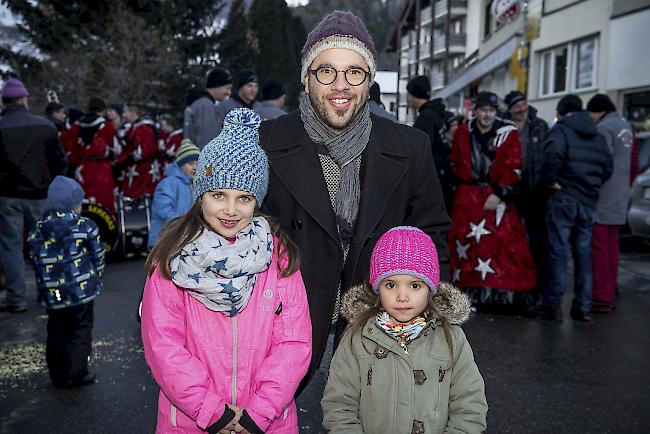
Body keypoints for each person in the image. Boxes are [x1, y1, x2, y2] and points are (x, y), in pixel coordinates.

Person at [259, 10, 450, 389]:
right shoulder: (265, 142)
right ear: (306, 77)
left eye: (354, 72)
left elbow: (433, 237)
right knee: (268, 414)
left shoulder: (410, 148)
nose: (340, 85)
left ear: (369, 79)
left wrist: (421, 308)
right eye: (326, 71)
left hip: (376, 316)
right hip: (285, 314)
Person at [141, 108, 312, 433]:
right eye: (219, 195)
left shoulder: (279, 258)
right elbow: (164, 345)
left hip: (267, 421)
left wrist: (259, 412)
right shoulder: (172, 259)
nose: (231, 210)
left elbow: (294, 342)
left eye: (244, 198)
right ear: (200, 196)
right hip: (192, 421)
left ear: (257, 200)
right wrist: (210, 410)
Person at [321, 226, 487, 433]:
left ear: (430, 289)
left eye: (415, 286)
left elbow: (469, 406)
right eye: (391, 285)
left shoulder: (451, 338)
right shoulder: (358, 338)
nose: (402, 296)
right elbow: (339, 406)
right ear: (377, 288)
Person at [448, 91, 537, 314]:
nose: (487, 115)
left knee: (503, 244)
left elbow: (514, 166)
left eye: (491, 110)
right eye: (483, 110)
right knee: (467, 243)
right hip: (467, 196)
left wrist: (499, 193)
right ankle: (470, 293)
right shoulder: (463, 130)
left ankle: (501, 295)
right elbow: (456, 162)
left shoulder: (508, 133)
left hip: (497, 197)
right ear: (475, 110)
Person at [539, 95, 613, 322]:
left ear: (560, 113)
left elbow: (552, 157)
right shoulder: (597, 135)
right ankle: (582, 307)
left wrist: (551, 182)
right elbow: (608, 167)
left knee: (558, 254)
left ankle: (553, 307)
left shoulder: (561, 131)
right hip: (589, 201)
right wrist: (592, 185)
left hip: (564, 198)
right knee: (584, 256)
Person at [27, 176, 105, 388]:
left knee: (56, 329)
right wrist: (96, 275)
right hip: (80, 292)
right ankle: (76, 373)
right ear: (74, 204)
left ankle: (57, 375)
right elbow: (98, 254)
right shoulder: (85, 226)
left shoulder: (38, 229)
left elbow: (34, 258)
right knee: (80, 330)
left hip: (54, 294)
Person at [0, 78, 67, 313]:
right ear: (25, 99)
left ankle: (17, 299)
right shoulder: (46, 127)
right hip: (40, 195)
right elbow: (61, 163)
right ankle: (50, 294)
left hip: (8, 196)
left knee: (11, 248)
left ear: (4, 101)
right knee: (45, 245)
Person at [586, 94, 633, 313]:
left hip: (604, 196)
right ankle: (612, 288)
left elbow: (600, 162)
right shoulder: (625, 124)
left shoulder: (604, 128)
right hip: (621, 195)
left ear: (598, 111)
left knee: (599, 247)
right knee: (612, 245)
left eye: (591, 114)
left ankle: (602, 296)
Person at [503, 91, 550, 299]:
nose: (521, 109)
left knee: (537, 241)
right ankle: (514, 284)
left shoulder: (539, 125)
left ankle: (537, 286)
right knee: (511, 239)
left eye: (523, 104)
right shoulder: (503, 126)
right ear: (510, 109)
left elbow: (548, 156)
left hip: (536, 193)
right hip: (510, 192)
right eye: (516, 106)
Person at [68, 97, 119, 214]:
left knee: (82, 201)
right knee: (103, 202)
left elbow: (70, 151)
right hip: (102, 170)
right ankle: (107, 229)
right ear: (102, 110)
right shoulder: (106, 126)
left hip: (81, 169)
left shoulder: (75, 126)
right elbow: (117, 149)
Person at [407, 76, 452, 209]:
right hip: (443, 173)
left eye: (410, 95)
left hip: (432, 176)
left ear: (415, 95)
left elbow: (421, 150)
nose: (408, 99)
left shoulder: (426, 117)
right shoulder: (438, 113)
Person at [147, 139, 200, 249]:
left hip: (186, 239)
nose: (195, 167)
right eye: (190, 163)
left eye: (198, 163)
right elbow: (163, 211)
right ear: (180, 164)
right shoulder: (168, 183)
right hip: (165, 241)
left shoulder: (196, 184)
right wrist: (185, 224)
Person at [116, 102, 160, 198]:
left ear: (133, 113)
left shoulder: (143, 128)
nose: (124, 115)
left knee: (138, 194)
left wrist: (128, 158)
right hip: (135, 167)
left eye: (125, 112)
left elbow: (144, 150)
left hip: (142, 169)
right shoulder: (134, 126)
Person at [184, 67, 233, 149]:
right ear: (217, 85)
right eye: (227, 88)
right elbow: (206, 140)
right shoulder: (206, 106)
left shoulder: (197, 103)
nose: (229, 92)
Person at [214, 69, 262, 135]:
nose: (253, 90)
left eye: (256, 86)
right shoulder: (225, 107)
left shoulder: (260, 108)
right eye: (249, 86)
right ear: (241, 87)